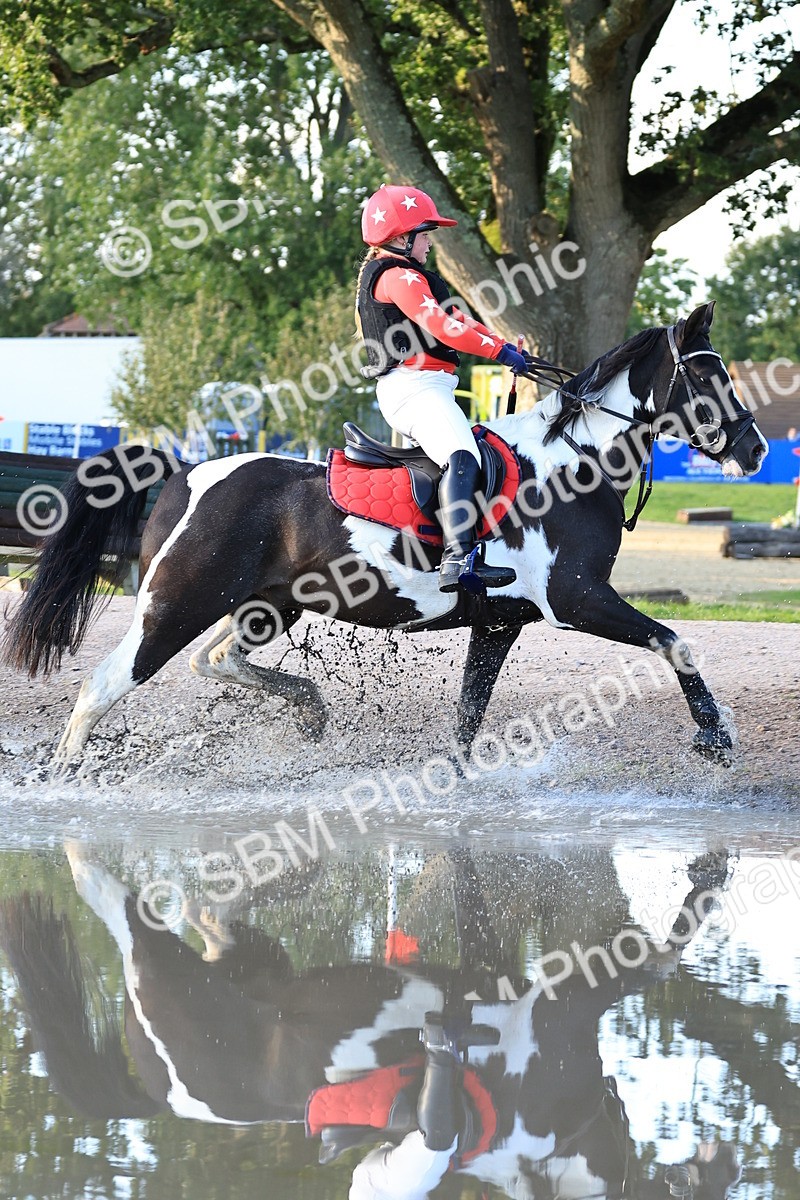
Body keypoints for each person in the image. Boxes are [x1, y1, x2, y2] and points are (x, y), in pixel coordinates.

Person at [355, 183, 529, 594]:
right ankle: (457, 559)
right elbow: (443, 328)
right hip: (414, 388)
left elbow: (459, 319)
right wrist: (497, 353)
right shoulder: (398, 276)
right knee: (462, 454)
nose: (430, 243)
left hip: (427, 386)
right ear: (402, 238)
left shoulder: (413, 277)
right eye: (426, 234)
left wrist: (502, 344)